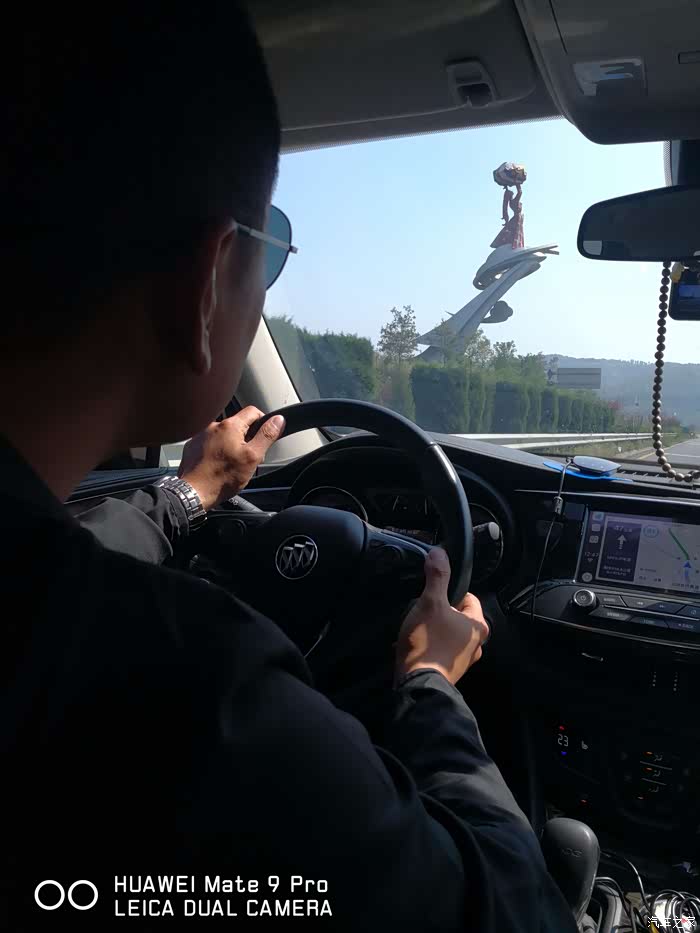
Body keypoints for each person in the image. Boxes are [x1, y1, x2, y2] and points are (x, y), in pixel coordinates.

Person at [0, 3, 577, 930]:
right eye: (267, 257)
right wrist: (431, 683)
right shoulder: (197, 691)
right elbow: (515, 908)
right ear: (204, 286)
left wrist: (187, 494)